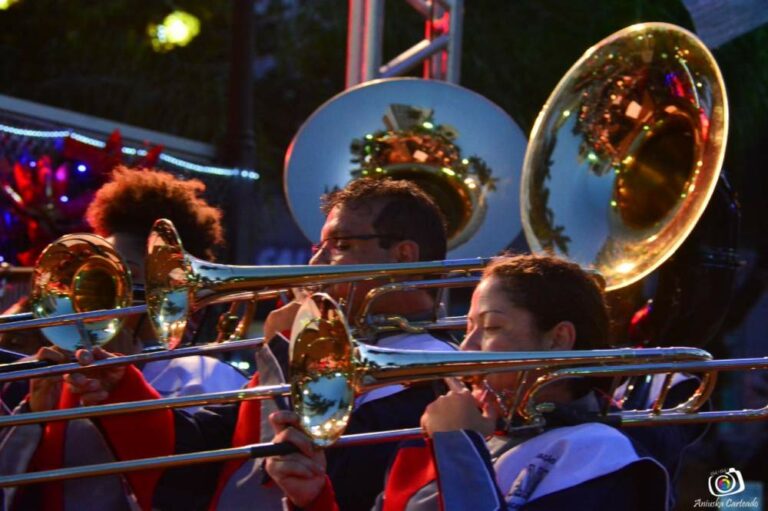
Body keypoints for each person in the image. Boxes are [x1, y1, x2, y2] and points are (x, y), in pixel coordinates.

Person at [266, 255, 673, 511]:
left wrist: (459, 446)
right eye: (467, 328)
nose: (467, 348)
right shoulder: (451, 438)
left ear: (559, 339)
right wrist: (313, 499)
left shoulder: (601, 454)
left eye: (492, 326)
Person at [0, 166, 248, 511]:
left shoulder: (203, 380)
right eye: (97, 273)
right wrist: (35, 417)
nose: (98, 295)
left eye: (126, 277)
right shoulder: (39, 377)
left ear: (173, 297)